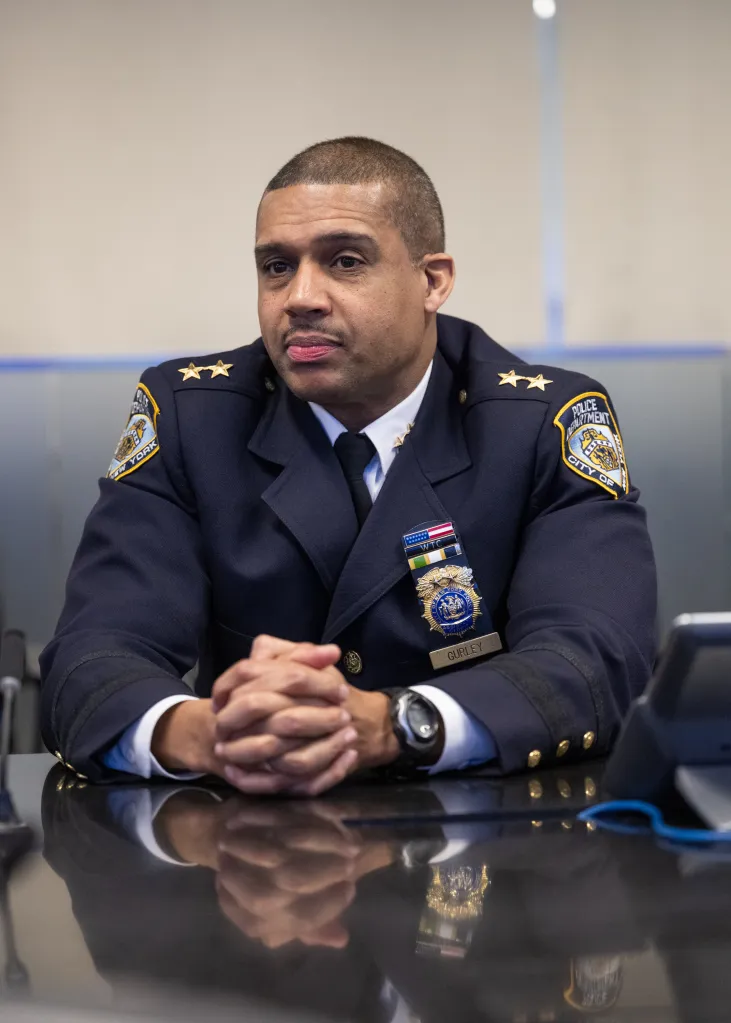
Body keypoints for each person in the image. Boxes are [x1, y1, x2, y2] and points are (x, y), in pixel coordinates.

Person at [39, 137, 657, 795]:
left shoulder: (540, 421)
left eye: (344, 261)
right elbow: (90, 657)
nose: (301, 296)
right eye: (276, 267)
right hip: (246, 850)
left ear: (432, 280)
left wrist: (397, 723)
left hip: (483, 850)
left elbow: (595, 658)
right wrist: (205, 731)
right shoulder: (192, 417)